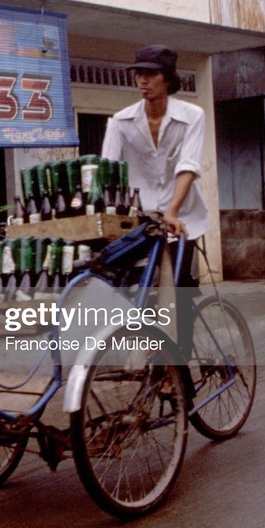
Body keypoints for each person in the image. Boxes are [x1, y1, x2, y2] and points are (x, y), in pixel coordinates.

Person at [101, 45, 206, 346]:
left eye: (151, 74)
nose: (142, 80)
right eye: (139, 74)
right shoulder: (120, 122)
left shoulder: (192, 116)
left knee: (178, 291)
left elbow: (188, 165)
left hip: (182, 216)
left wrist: (172, 211)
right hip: (141, 219)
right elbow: (108, 173)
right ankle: (152, 360)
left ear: (168, 79)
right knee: (136, 288)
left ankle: (180, 374)